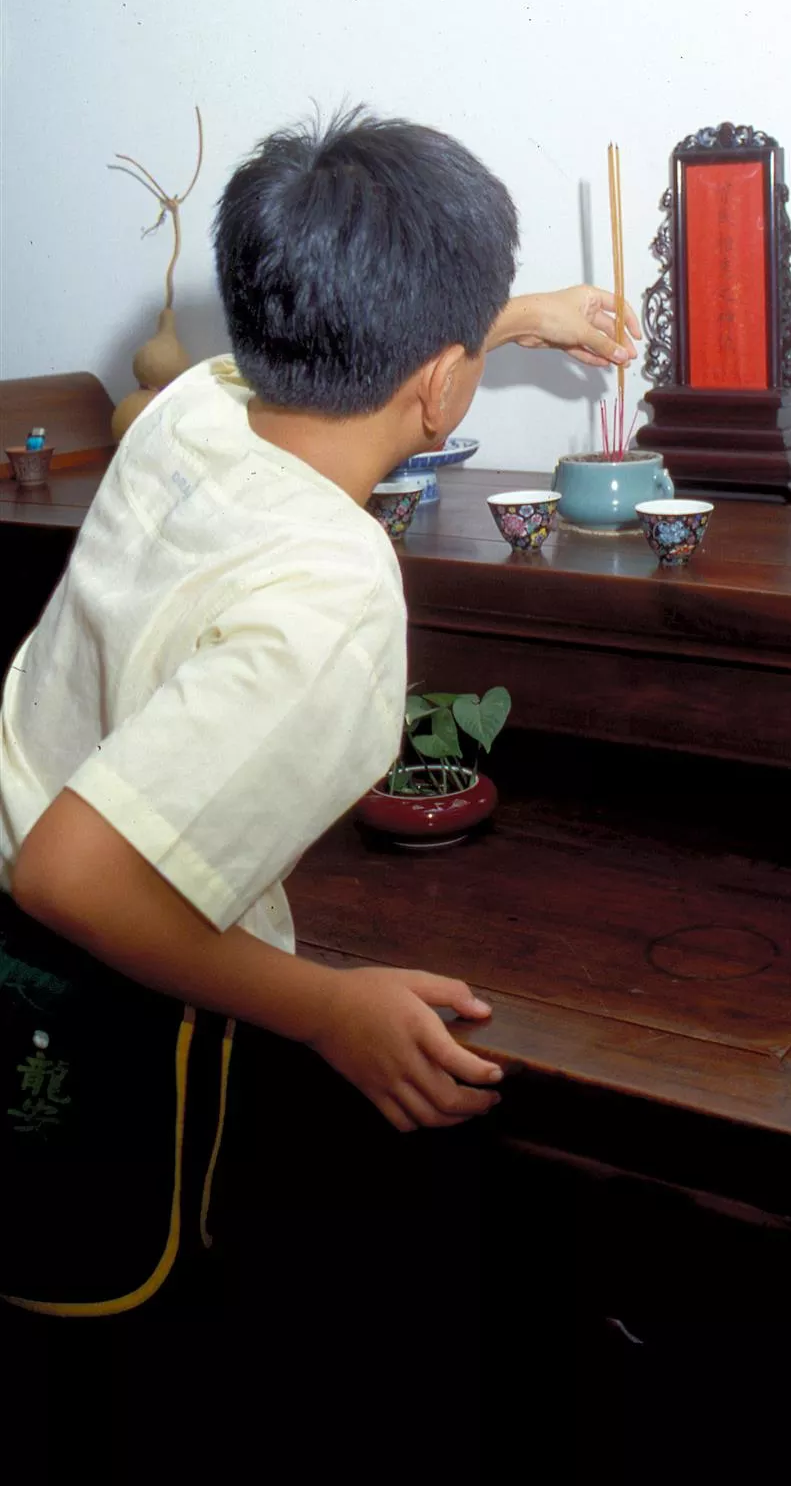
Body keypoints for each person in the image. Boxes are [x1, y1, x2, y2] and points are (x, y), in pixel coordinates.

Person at [0, 107, 640, 1358]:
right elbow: (69, 876)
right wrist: (325, 1010)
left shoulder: (191, 404)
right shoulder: (333, 590)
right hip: (92, 985)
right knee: (107, 1294)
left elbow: (354, 347)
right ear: (442, 384)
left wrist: (519, 316)